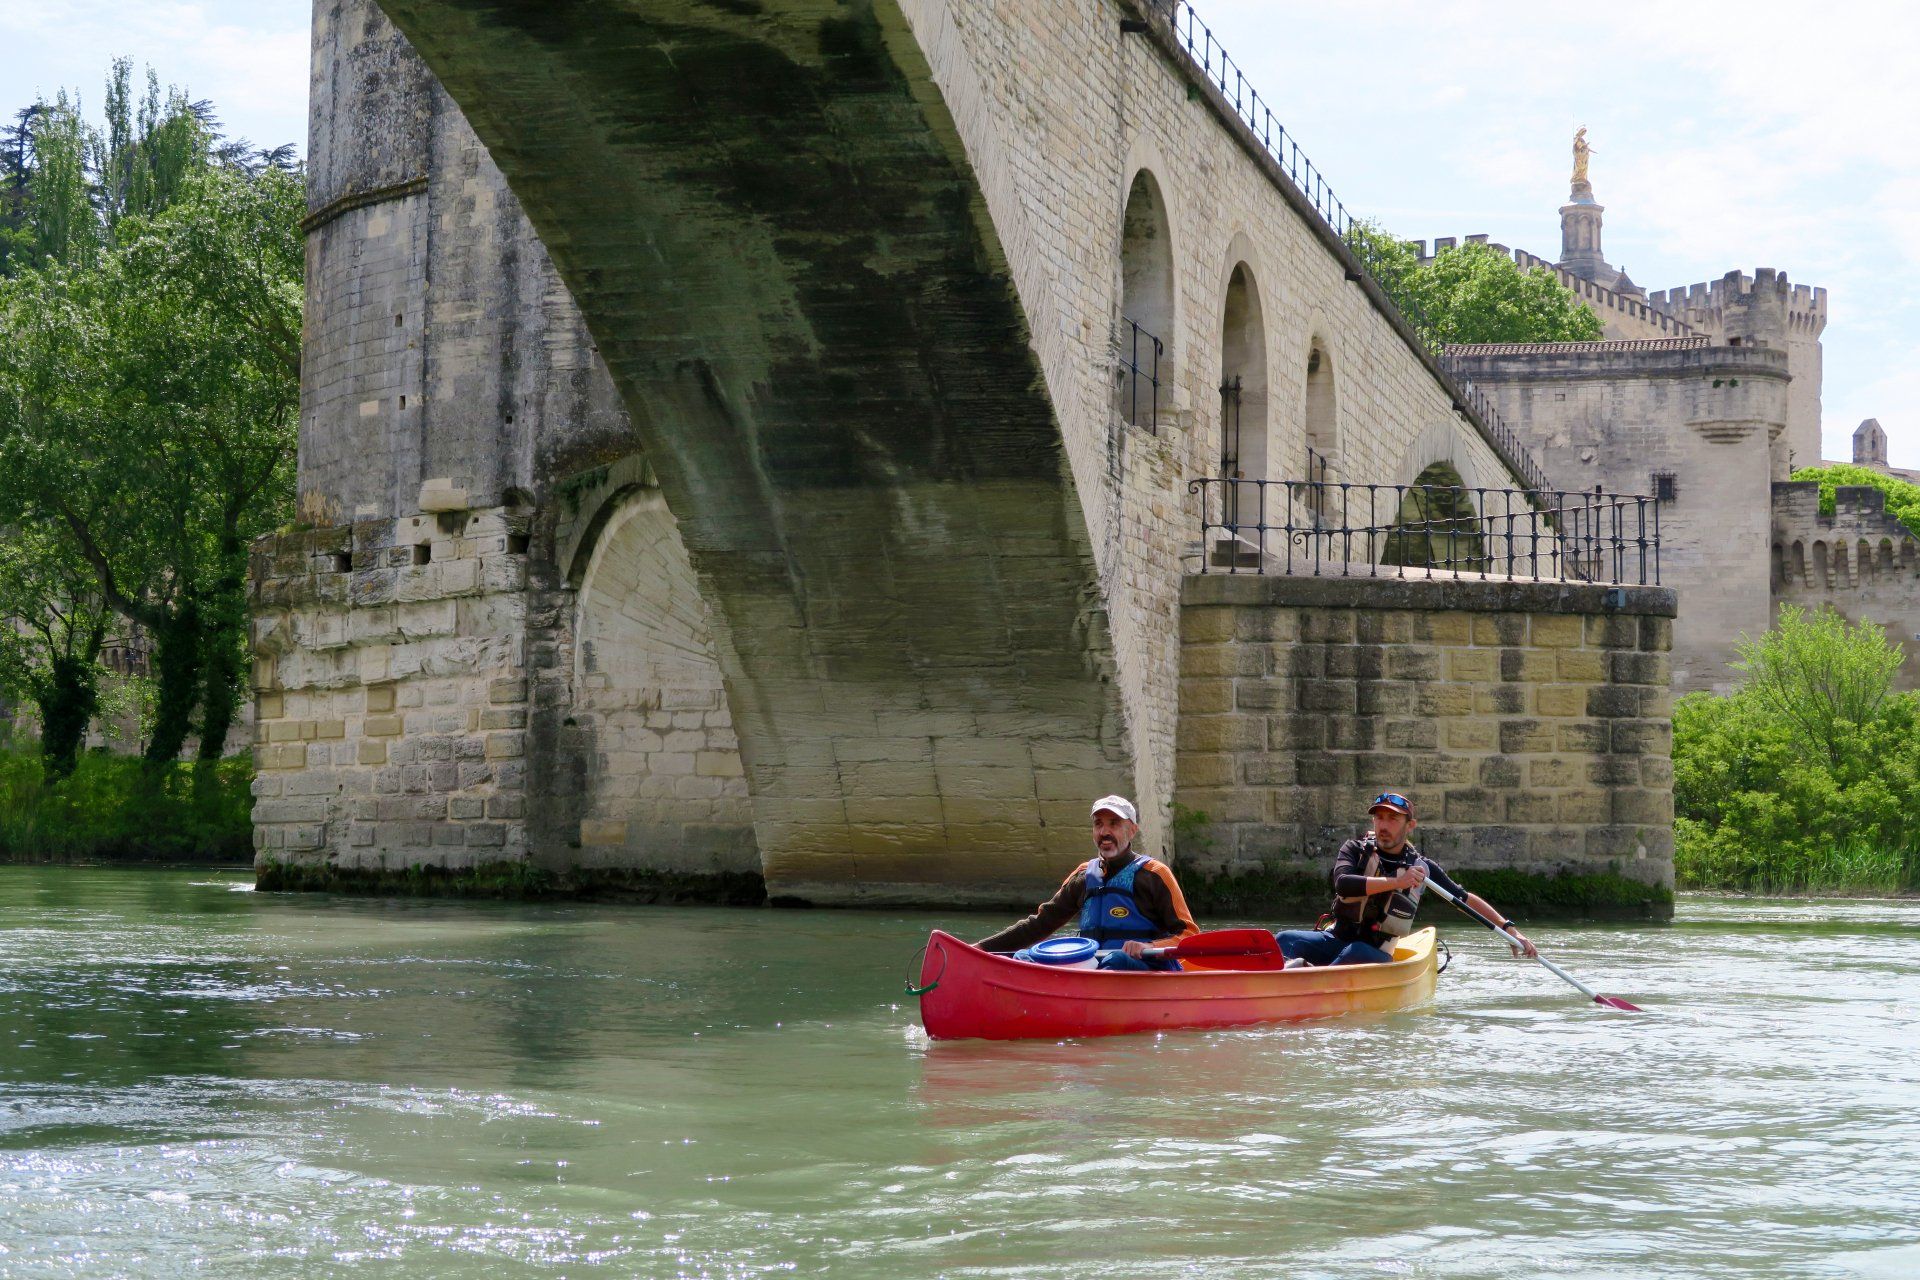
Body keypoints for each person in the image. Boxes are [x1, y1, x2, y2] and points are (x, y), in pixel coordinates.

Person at [1276, 792, 1537, 967]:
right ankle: (1286, 977)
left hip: (1374, 952)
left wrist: (1510, 930)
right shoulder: (1354, 849)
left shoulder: (1421, 868)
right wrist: (1396, 882)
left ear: (1409, 825)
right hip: (1337, 939)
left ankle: (1306, 978)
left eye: (1393, 818)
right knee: (1284, 939)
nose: (1383, 825)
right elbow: (1342, 884)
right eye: (1379, 817)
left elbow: (1464, 899)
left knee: (1355, 952)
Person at [975, 795, 1200, 971]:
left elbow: (1189, 935)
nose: (1104, 832)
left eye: (1114, 824)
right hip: (1095, 966)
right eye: (1098, 824)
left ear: (1132, 830)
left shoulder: (1155, 875)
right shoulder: (1083, 876)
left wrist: (1149, 947)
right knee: (1024, 957)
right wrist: (979, 949)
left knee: (1117, 959)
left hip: (1139, 966)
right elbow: (1040, 924)